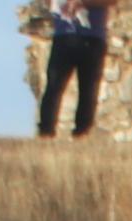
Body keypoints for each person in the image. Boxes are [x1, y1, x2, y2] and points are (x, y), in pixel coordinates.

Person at [34, 0, 106, 135]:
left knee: (88, 89)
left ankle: (82, 133)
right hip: (64, 36)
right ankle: (46, 131)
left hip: (92, 38)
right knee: (54, 86)